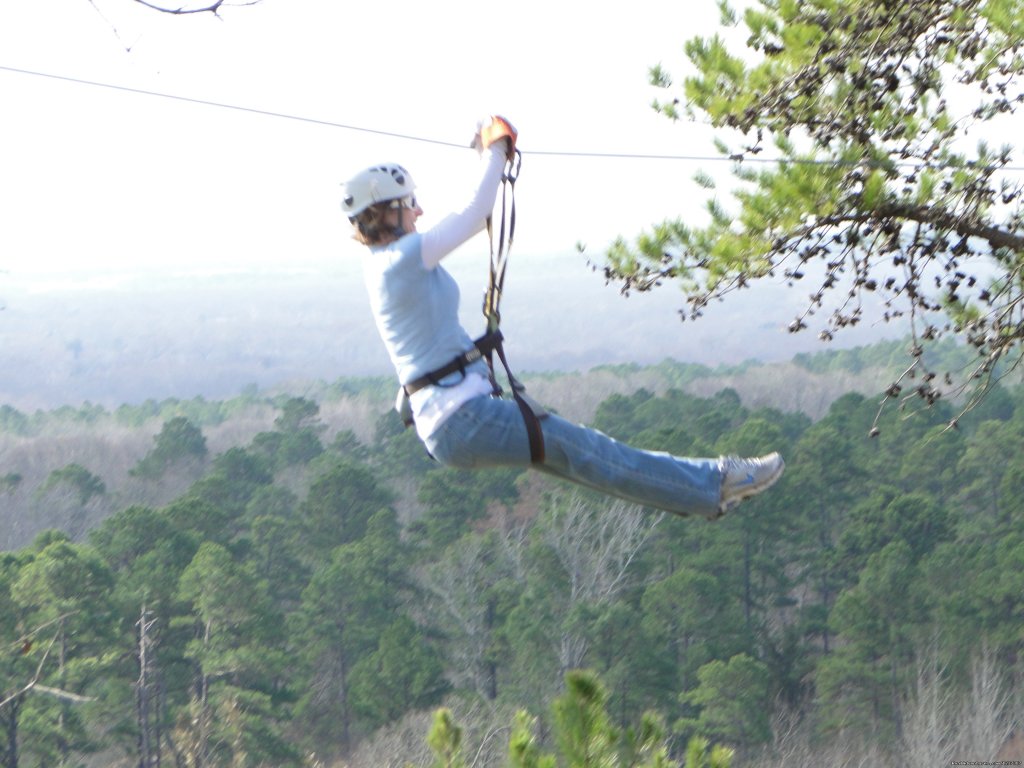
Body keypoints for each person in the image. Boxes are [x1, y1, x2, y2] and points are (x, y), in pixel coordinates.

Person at [341, 116, 784, 519]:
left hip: (456, 419)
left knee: (584, 458)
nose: (418, 210)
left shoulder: (387, 264)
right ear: (385, 211)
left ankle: (701, 493)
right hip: (461, 418)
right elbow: (476, 214)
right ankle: (715, 481)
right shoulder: (401, 258)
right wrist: (494, 151)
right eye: (410, 202)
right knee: (587, 449)